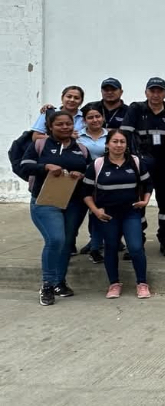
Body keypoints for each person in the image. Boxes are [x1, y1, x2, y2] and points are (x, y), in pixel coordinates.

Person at [19, 111, 89, 306]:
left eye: (68, 123)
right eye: (59, 124)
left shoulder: (81, 148)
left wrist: (81, 175)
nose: (65, 127)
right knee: (55, 239)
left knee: (67, 242)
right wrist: (46, 167)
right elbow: (25, 165)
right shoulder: (40, 145)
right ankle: (47, 285)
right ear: (50, 127)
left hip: (73, 203)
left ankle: (60, 282)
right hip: (45, 201)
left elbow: (90, 169)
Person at [81, 130, 153, 299]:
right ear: (107, 144)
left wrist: (145, 201)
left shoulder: (135, 162)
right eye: (115, 141)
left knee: (136, 247)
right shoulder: (98, 164)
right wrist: (96, 210)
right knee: (111, 247)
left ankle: (142, 283)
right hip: (108, 215)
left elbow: (148, 184)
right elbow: (85, 192)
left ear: (127, 145)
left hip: (131, 213)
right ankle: (114, 284)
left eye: (122, 142)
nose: (119, 145)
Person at [121, 78, 165, 257]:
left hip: (164, 167)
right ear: (146, 92)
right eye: (152, 91)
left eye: (159, 91)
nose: (156, 95)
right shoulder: (136, 109)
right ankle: (137, 242)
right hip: (141, 166)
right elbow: (125, 135)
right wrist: (134, 160)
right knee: (138, 205)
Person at [77, 103, 108, 263]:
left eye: (98, 116)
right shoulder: (77, 136)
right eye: (90, 117)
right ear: (84, 120)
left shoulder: (111, 135)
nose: (95, 120)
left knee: (99, 213)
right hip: (83, 180)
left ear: (103, 117)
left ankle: (96, 246)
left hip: (106, 181)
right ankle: (93, 244)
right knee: (89, 213)